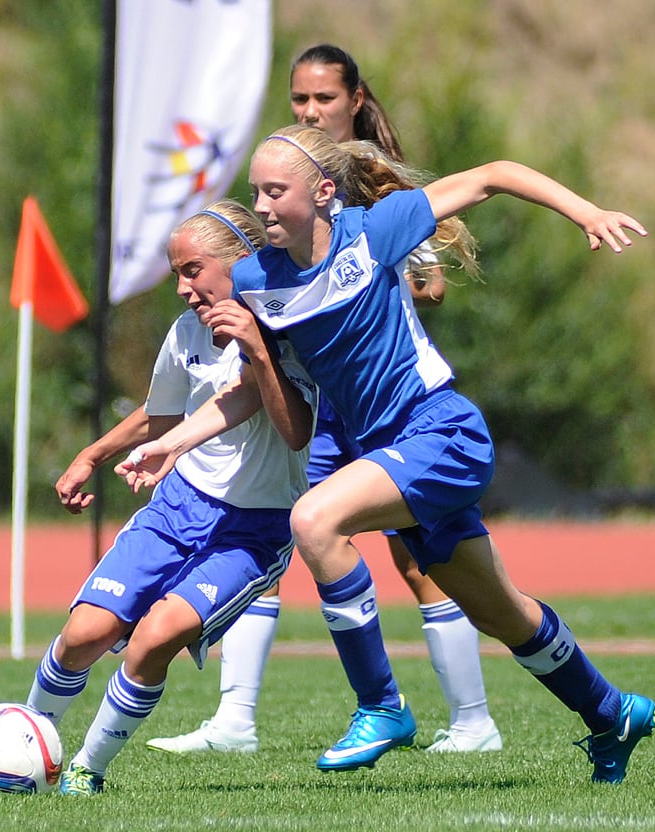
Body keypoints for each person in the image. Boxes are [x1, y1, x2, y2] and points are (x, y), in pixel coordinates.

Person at [119, 123, 655, 784]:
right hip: (391, 453)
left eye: (275, 191)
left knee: (314, 520)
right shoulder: (258, 278)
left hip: (441, 432)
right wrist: (171, 441)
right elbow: (262, 402)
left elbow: (492, 175)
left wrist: (586, 212)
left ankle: (381, 705)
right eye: (255, 192)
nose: (260, 207)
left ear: (322, 193)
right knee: (502, 613)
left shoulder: (376, 230)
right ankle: (612, 713)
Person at [145, 43, 501, 758]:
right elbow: (251, 268)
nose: (310, 110)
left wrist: (362, 286)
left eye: (324, 100)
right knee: (282, 527)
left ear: (356, 100)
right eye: (300, 99)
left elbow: (426, 281)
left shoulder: (365, 193)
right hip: (315, 396)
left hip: (383, 398)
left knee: (416, 554)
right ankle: (237, 720)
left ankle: (471, 719)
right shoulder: (283, 177)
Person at [25, 200, 317, 795]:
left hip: (252, 530)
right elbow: (159, 415)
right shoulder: (187, 331)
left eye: (193, 270)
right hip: (177, 507)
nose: (183, 288)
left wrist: (258, 349)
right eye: (177, 272)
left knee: (156, 637)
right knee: (84, 633)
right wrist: (91, 456)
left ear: (241, 262)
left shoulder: (290, 329)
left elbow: (295, 432)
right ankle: (30, 743)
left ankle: (87, 769)